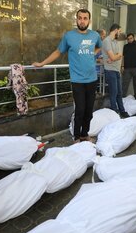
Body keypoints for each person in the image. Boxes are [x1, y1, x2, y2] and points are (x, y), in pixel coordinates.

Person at [33, 9, 102, 142]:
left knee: (89, 111)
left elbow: (99, 47)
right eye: (80, 18)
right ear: (76, 20)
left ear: (89, 20)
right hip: (77, 80)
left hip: (92, 79)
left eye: (85, 18)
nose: (82, 21)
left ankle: (84, 134)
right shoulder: (69, 36)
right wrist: (42, 63)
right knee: (80, 109)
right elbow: (58, 52)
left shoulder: (95, 36)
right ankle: (76, 136)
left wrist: (93, 53)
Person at [102, 24, 129, 118]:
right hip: (110, 70)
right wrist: (115, 57)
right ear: (116, 30)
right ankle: (115, 113)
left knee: (119, 92)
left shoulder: (115, 42)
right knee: (113, 93)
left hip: (116, 70)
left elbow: (117, 55)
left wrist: (115, 57)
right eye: (120, 31)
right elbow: (115, 56)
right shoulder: (106, 41)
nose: (120, 33)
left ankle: (122, 111)